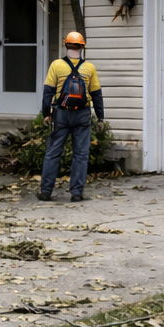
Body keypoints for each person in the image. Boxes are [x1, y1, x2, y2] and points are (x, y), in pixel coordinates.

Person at [39, 30, 104, 202]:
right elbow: (96, 95)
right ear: (82, 47)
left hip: (61, 113)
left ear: (65, 45)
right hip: (82, 114)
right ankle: (76, 193)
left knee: (53, 153)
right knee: (81, 154)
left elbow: (48, 92)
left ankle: (46, 191)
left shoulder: (56, 65)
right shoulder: (89, 68)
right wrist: (101, 118)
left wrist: (47, 114)